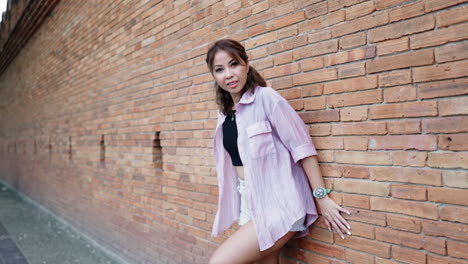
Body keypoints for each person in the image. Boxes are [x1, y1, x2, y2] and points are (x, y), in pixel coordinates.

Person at [206, 39, 351, 264]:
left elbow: (302, 148)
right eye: (219, 69)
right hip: (250, 201)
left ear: (246, 63)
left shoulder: (267, 99)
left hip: (280, 202)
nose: (228, 74)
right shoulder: (225, 114)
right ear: (214, 75)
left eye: (234, 64)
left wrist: (321, 197)